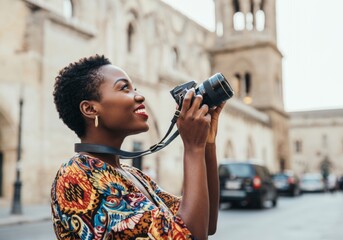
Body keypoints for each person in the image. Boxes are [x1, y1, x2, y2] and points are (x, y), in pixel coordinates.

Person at [51, 54, 226, 240]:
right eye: (124, 88)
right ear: (90, 109)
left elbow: (206, 224)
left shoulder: (133, 175)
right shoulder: (75, 176)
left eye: (134, 88)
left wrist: (207, 144)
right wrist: (193, 148)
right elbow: (189, 235)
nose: (139, 96)